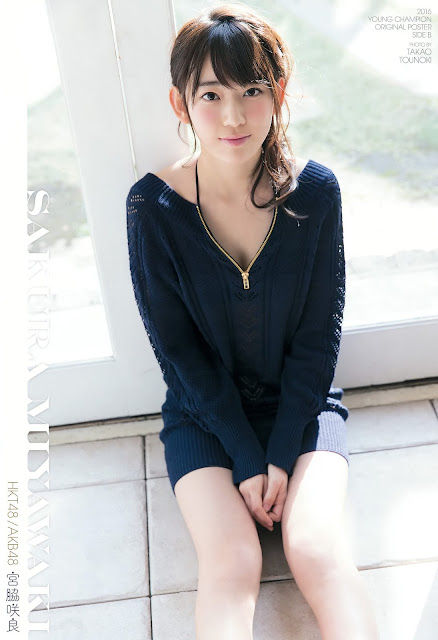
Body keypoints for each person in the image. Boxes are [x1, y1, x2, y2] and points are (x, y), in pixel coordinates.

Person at [126, 3, 379, 638]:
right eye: (211, 95)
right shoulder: (153, 208)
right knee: (233, 562)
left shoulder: (316, 194)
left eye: (252, 91)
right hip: (203, 416)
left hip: (304, 406)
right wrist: (245, 456)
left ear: (279, 94)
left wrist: (283, 451)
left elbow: (319, 338)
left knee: (315, 550)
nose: (234, 116)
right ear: (181, 104)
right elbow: (178, 353)